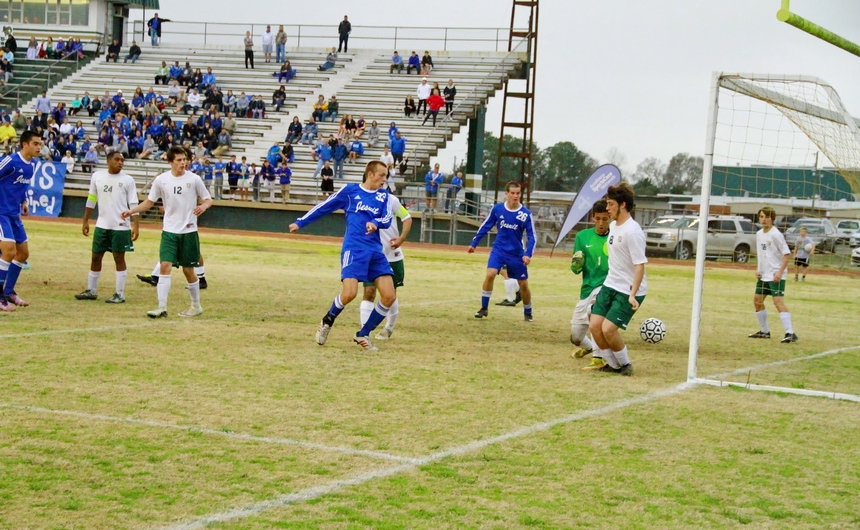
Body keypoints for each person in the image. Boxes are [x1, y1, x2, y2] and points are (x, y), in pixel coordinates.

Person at [290, 161, 394, 351]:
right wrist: (301, 222)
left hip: (375, 251)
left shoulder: (383, 195)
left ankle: (363, 334)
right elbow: (325, 206)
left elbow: (387, 219)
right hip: (353, 249)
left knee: (389, 296)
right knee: (350, 293)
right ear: (370, 174)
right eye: (381, 175)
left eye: (386, 176)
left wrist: (375, 223)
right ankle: (327, 320)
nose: (384, 180)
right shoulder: (350, 191)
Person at [121, 146, 212, 317]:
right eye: (179, 160)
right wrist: (131, 211)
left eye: (184, 159)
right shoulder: (161, 180)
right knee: (165, 266)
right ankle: (161, 307)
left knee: (188, 270)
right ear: (170, 162)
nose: (183, 163)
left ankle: (196, 306)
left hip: (189, 231)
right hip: (169, 231)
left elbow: (208, 199)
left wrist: (203, 206)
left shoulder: (194, 179)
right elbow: (149, 202)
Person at [587, 183, 646, 376]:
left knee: (608, 329)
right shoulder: (613, 226)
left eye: (611, 204)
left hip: (628, 290)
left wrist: (633, 294)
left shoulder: (633, 232)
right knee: (595, 326)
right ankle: (612, 365)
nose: (607, 208)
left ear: (622, 205)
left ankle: (625, 364)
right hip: (610, 284)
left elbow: (639, 265)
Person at [74, 151, 139, 304]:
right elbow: (92, 198)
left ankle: (119, 293)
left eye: (122, 160)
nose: (120, 162)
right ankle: (91, 290)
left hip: (121, 226)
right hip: (102, 225)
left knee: (119, 258)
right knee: (96, 256)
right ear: (108, 160)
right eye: (117, 159)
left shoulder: (128, 180)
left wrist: (136, 224)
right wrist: (85, 220)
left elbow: (134, 203)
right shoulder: (97, 176)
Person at [468, 181, 536, 321]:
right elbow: (486, 225)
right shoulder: (498, 209)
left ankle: (528, 311)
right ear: (506, 194)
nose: (515, 196)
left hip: (516, 253)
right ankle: (484, 308)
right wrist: (474, 243)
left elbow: (532, 236)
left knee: (523, 284)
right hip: (499, 250)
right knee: (490, 274)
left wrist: (527, 254)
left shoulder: (525, 214)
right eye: (512, 193)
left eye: (518, 193)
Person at [359, 176, 412, 340]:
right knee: (368, 291)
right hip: (371, 254)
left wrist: (402, 238)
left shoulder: (391, 200)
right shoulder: (361, 200)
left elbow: (407, 218)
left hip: (392, 255)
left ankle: (388, 328)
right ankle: (364, 332)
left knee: (390, 294)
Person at [0, 131, 43, 311]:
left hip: (14, 214)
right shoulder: (10, 161)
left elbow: (21, 185)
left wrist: (24, 200)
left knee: (23, 254)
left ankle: (9, 291)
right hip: (1, 212)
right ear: (25, 144)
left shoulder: (32, 165)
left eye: (40, 144)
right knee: (9, 251)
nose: (39, 147)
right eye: (35, 144)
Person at [568, 200, 612, 369]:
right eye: (598, 219)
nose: (601, 223)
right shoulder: (582, 237)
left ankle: (599, 357)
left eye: (605, 219)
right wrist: (577, 264)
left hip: (606, 286)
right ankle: (589, 347)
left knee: (593, 311)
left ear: (610, 218)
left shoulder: (615, 237)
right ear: (593, 218)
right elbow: (575, 269)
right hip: (587, 288)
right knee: (576, 337)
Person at [748, 206, 797, 343]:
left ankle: (790, 332)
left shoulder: (776, 234)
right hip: (764, 275)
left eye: (766, 217)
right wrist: (758, 269)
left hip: (776, 274)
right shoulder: (759, 234)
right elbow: (762, 254)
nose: (763, 220)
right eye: (761, 217)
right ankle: (764, 331)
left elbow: (787, 255)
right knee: (757, 301)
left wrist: (780, 273)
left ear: (772, 218)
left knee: (777, 302)